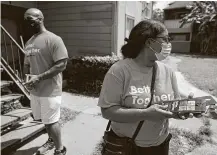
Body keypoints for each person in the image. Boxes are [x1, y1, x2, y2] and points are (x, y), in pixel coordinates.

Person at [98, 19, 194, 155]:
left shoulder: (168, 71)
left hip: (160, 145)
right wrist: (146, 114)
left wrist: (183, 110)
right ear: (150, 42)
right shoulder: (119, 71)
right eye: (165, 39)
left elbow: (173, 106)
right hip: (128, 147)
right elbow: (107, 112)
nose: (168, 44)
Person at [23, 8, 68, 155]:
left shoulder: (54, 39)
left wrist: (39, 77)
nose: (27, 22)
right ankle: (51, 140)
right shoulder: (29, 42)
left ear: (40, 18)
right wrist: (27, 78)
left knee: (51, 121)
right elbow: (27, 64)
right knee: (45, 120)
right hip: (35, 90)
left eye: (30, 19)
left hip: (50, 90)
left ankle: (60, 149)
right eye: (25, 19)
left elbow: (61, 64)